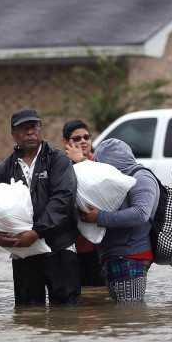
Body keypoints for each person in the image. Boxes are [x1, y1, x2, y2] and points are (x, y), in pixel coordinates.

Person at [0, 108, 80, 305]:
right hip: (23, 254)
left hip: (59, 248)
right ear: (13, 134)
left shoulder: (58, 161)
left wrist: (36, 232)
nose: (30, 132)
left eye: (34, 126)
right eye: (23, 128)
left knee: (66, 317)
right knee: (28, 317)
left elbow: (63, 200)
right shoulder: (3, 170)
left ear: (40, 129)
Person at [79, 138, 159, 302]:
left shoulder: (141, 177)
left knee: (131, 313)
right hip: (114, 255)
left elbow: (141, 213)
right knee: (121, 318)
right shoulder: (115, 181)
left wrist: (99, 217)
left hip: (131, 256)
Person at [61, 119, 105, 287]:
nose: (83, 141)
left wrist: (81, 161)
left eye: (86, 137)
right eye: (76, 138)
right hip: (73, 242)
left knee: (99, 294)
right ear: (66, 142)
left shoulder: (100, 162)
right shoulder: (61, 165)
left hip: (101, 242)